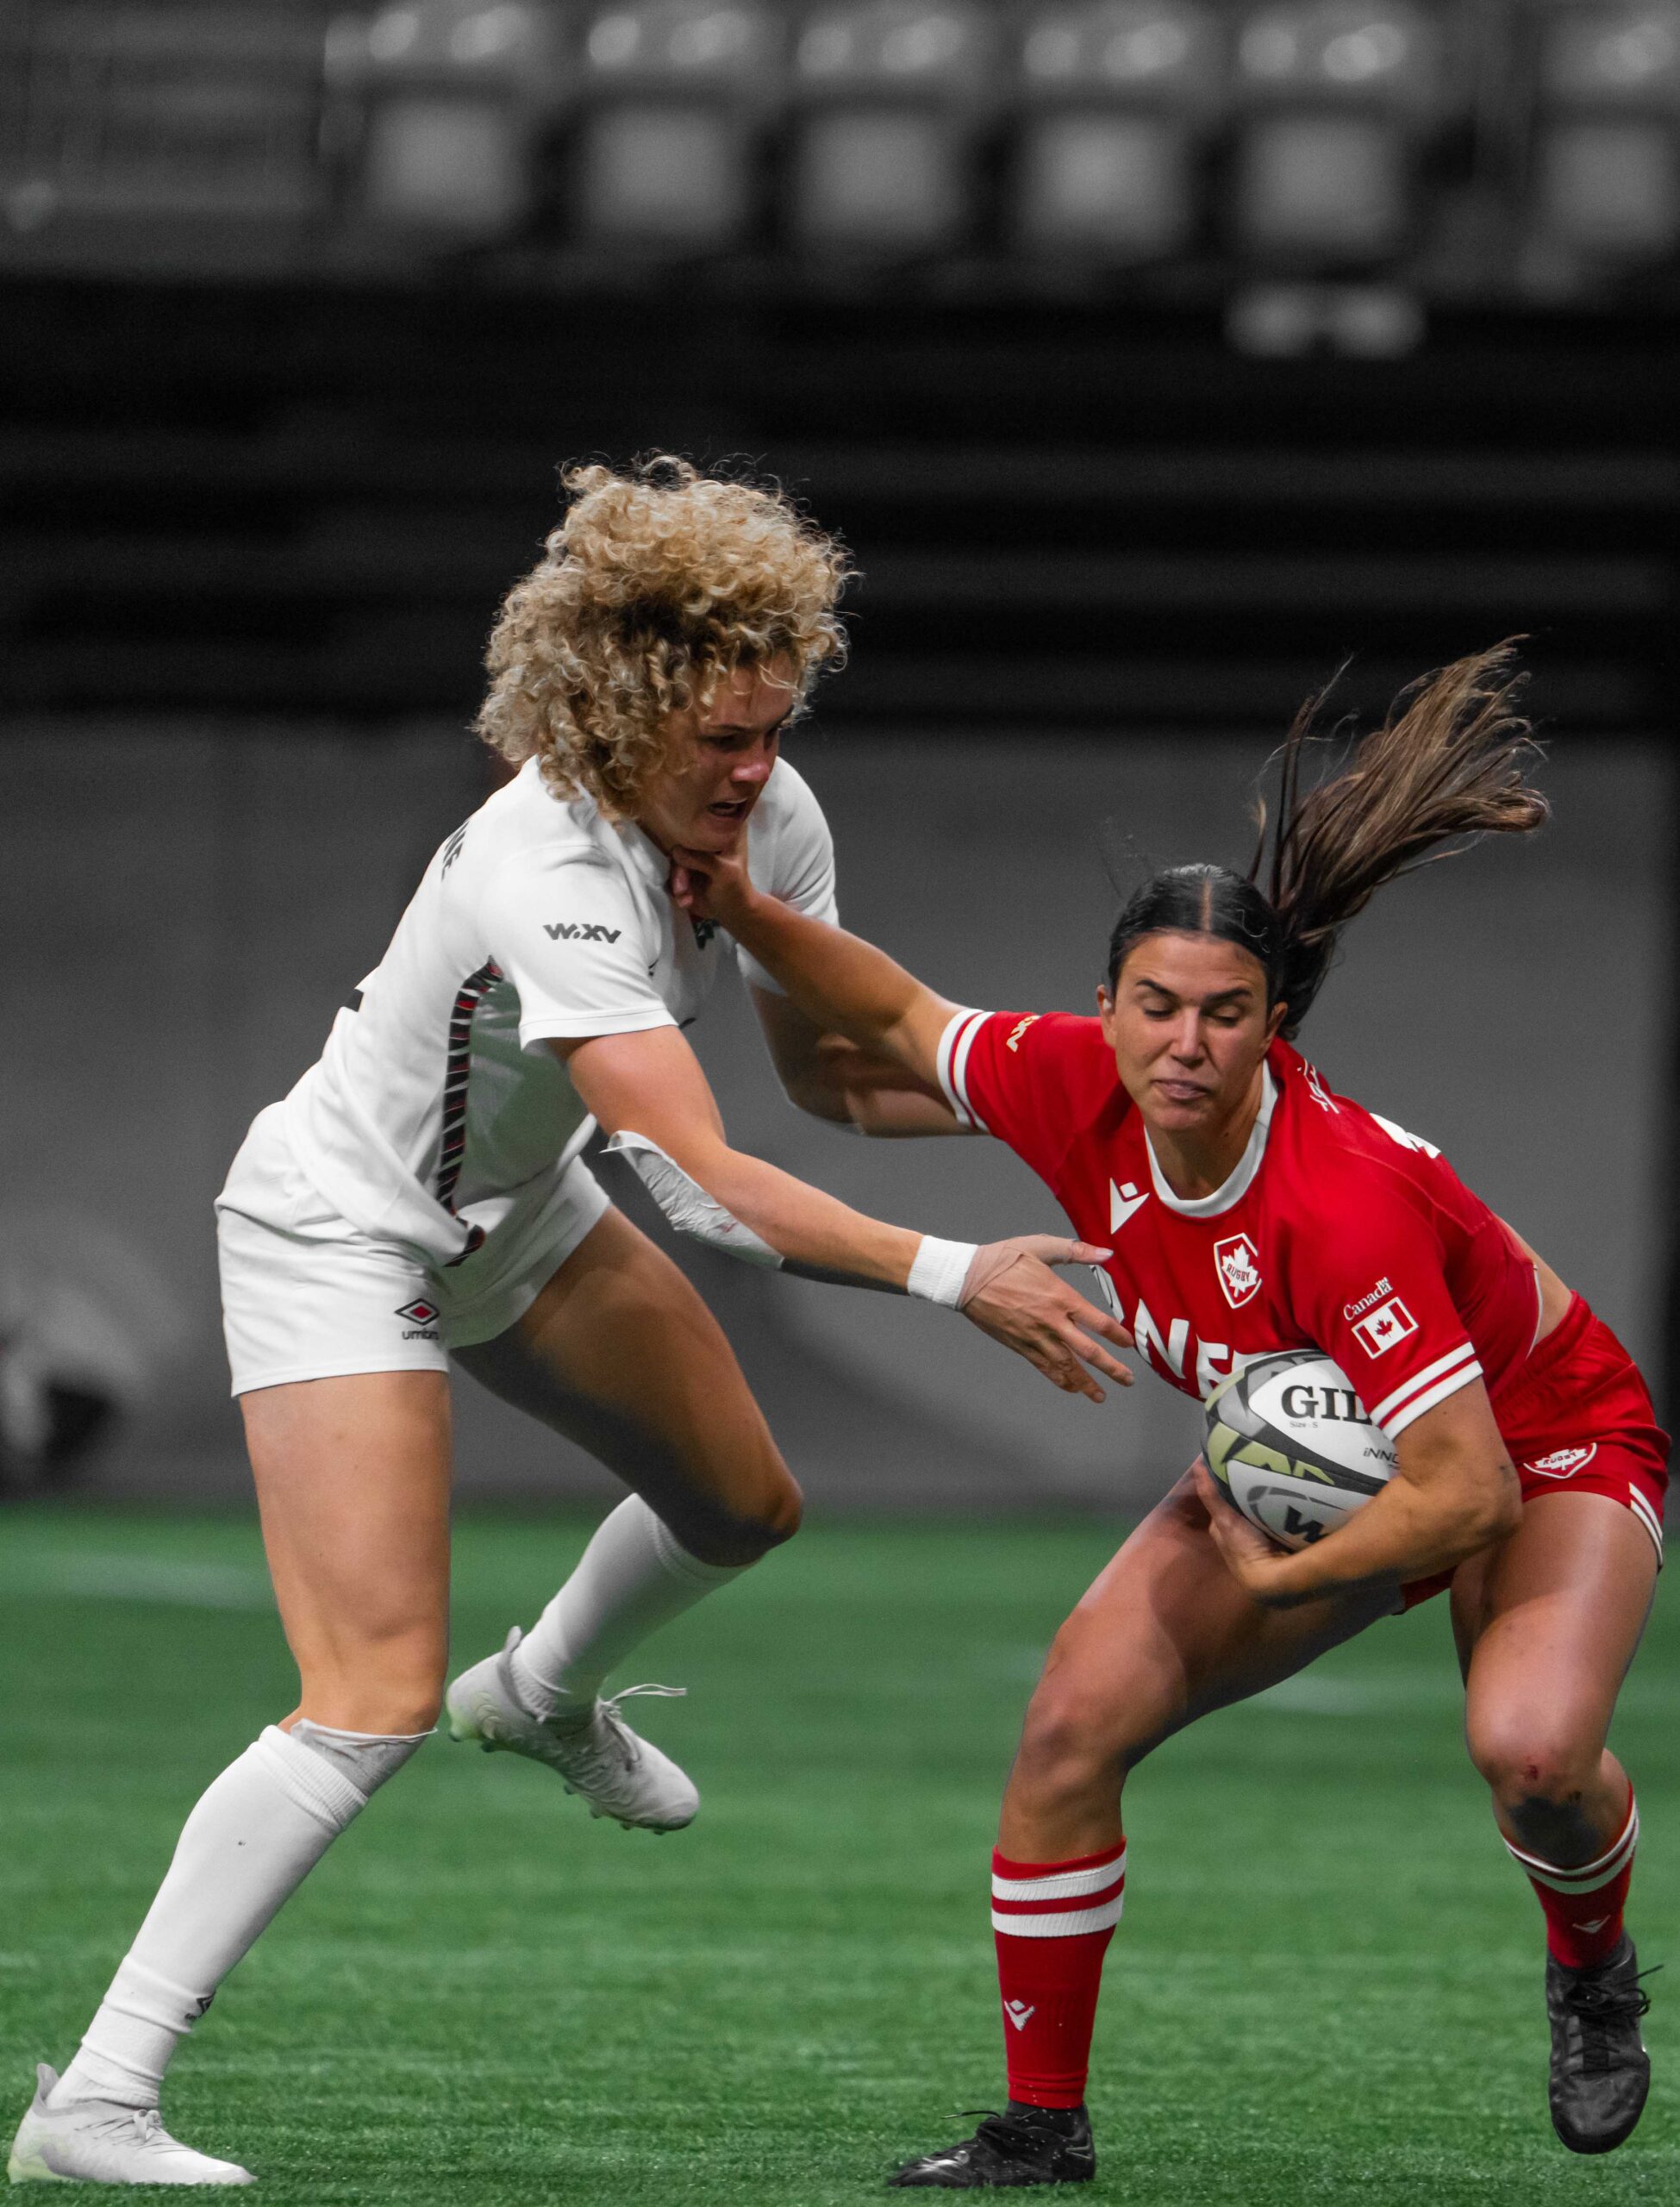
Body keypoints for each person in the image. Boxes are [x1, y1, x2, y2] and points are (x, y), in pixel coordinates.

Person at [7, 458, 1133, 2190]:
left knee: (744, 1503)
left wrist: (1093, 1106)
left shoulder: (769, 814)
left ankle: (541, 1690)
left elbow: (829, 1079)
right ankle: (96, 2091)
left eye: (773, 727)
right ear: (612, 712)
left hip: (518, 1213)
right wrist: (951, 1271)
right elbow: (702, 1185)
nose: (753, 770)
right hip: (342, 1228)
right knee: (368, 1694)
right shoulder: (546, 859)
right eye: (720, 741)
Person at [666, 642, 1668, 2185]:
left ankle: (1592, 1968)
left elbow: (1465, 1494)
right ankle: (1038, 2128)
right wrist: (738, 908)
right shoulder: (1078, 1080)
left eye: (1222, 1014)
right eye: (1154, 1007)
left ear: (1275, 1024)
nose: (1182, 1045)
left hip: (1535, 1438)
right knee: (1068, 1727)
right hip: (1346, 1460)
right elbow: (903, 1013)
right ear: (1106, 1006)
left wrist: (1278, 1575)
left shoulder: (1337, 1205)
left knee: (1530, 1753)